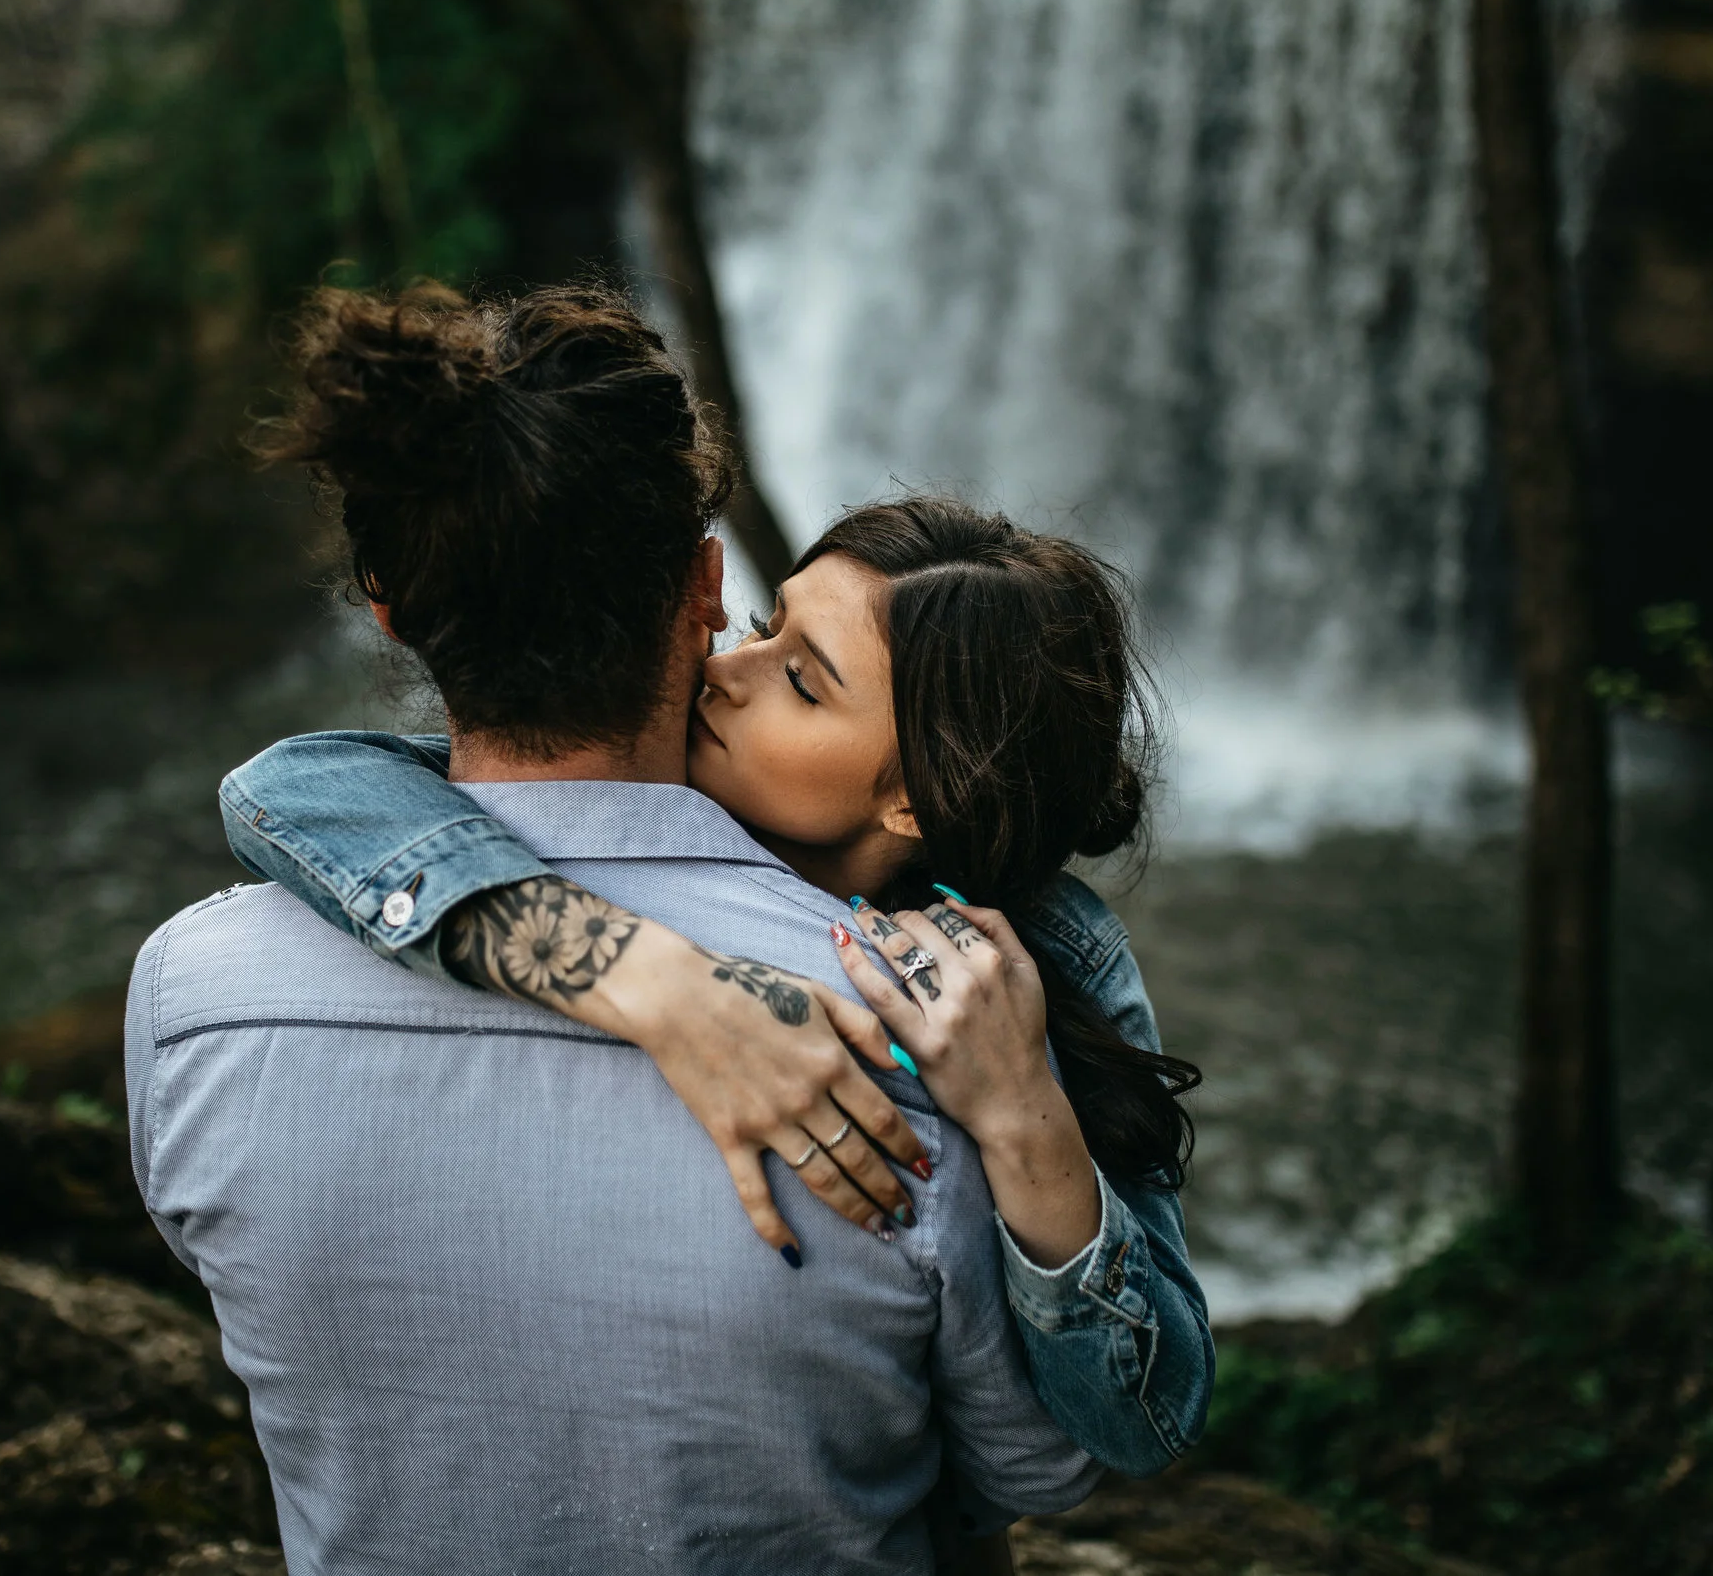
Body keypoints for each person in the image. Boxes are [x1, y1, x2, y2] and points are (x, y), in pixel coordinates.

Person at [127, 281, 1101, 1574]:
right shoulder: (912, 1040)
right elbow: (1035, 1463)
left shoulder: (191, 1000)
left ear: (392, 606)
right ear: (704, 588)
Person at [219, 504, 1214, 1475]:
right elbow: (292, 785)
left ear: (914, 793)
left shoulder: (1053, 959)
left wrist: (1022, 1118)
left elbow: (1149, 1418)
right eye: (761, 626)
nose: (721, 668)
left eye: (802, 680)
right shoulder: (632, 805)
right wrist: (645, 971)